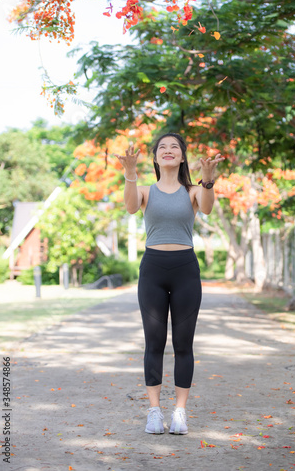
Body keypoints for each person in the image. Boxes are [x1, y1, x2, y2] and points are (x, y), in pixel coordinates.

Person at [114, 132, 224, 435]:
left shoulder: (192, 191)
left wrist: (208, 179)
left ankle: (179, 412)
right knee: (154, 343)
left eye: (174, 147)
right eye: (162, 147)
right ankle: (153, 412)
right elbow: (131, 207)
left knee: (183, 345)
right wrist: (130, 173)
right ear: (154, 157)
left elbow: (208, 207)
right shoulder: (146, 190)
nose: (168, 150)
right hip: (153, 270)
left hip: (186, 270)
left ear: (183, 156)